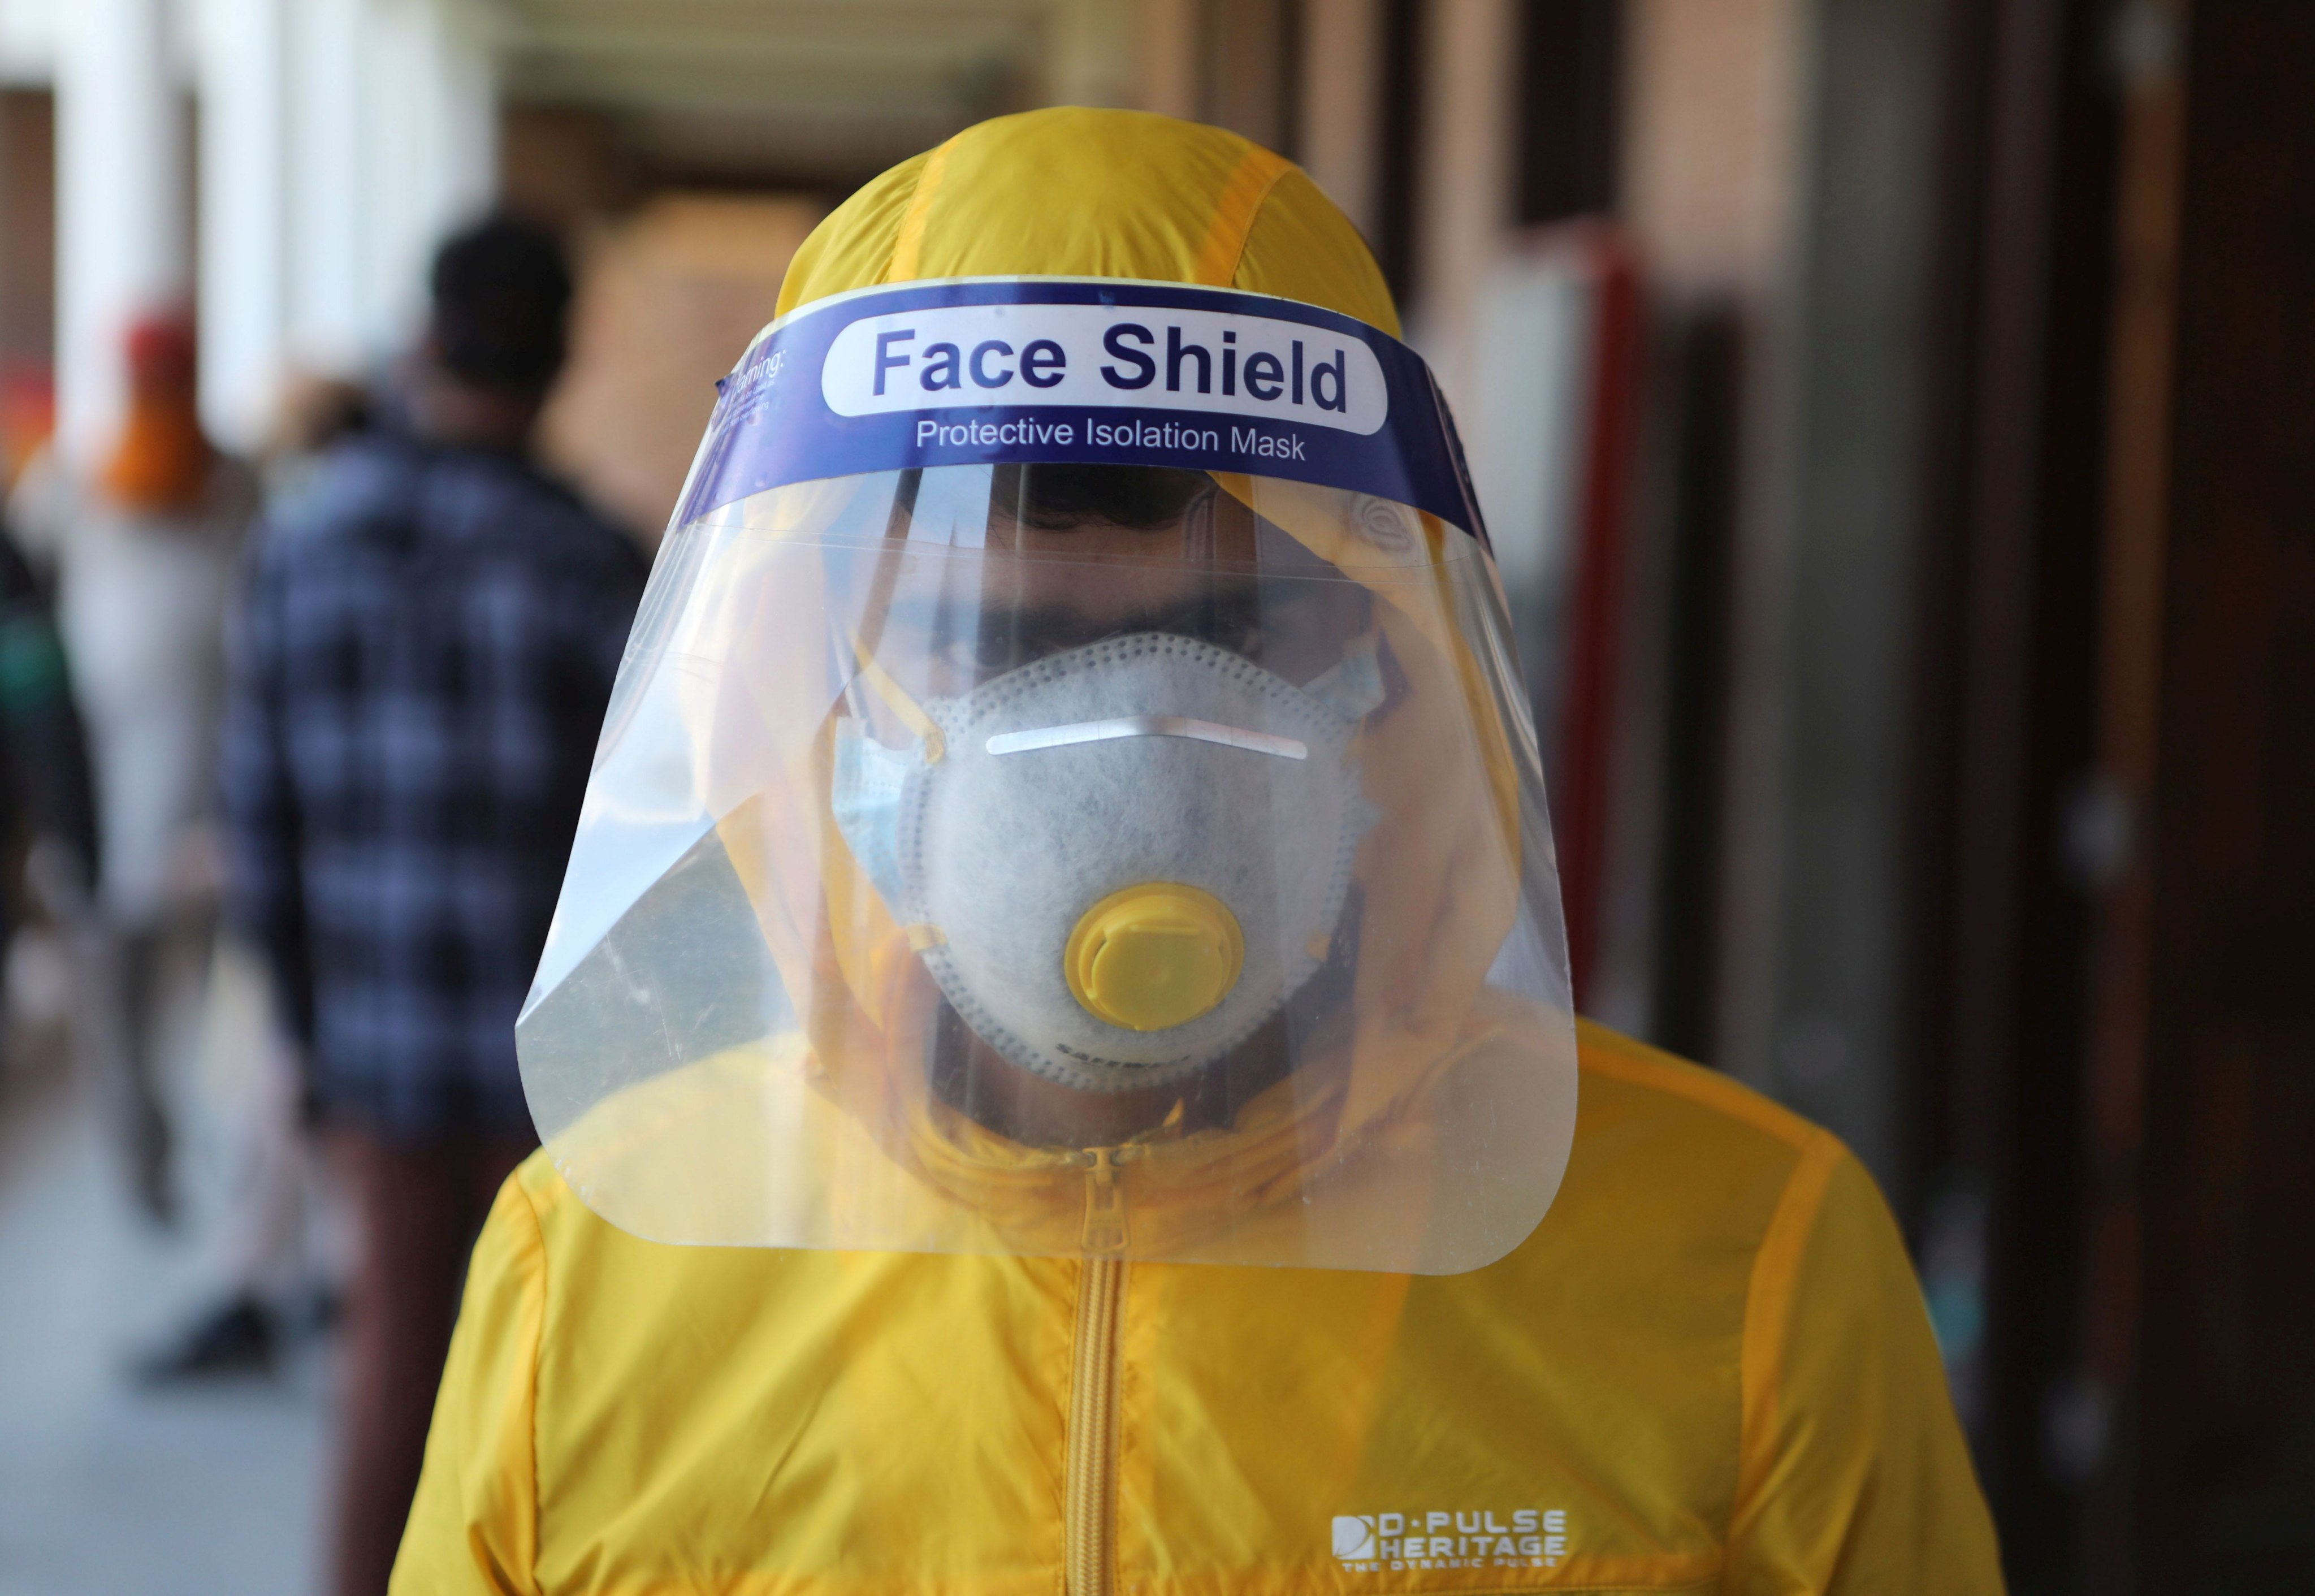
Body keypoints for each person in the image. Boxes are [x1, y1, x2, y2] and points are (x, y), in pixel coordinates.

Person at [393, 111, 2001, 1594]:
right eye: (997, 643)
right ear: (816, 694)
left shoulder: (1749, 1276)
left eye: (1232, 630)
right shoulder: (593, 1275)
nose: (1132, 764)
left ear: (1398, 676)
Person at [219, 216, 646, 1596]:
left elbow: (258, 821)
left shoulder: (303, 543)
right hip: (566, 1075)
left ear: (428, 335)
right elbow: (651, 840)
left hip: (380, 1056)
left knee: (393, 1386)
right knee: (569, 1393)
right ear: (559, 355)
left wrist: (304, 1031)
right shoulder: (593, 566)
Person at [8, 312, 257, 1221]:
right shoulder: (71, 482)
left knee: (226, 1006)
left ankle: (237, 1180)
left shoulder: (234, 481)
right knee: (114, 998)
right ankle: (144, 1158)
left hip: (214, 790)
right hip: (99, 793)